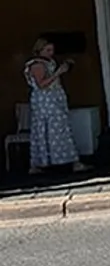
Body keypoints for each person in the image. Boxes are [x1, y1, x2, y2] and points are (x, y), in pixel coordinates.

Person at [23, 38, 89, 174]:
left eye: (52, 50)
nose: (50, 53)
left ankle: (62, 160)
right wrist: (58, 73)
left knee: (60, 129)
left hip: (54, 99)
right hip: (46, 102)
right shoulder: (37, 65)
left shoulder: (49, 62)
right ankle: (42, 163)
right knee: (52, 129)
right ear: (39, 50)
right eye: (47, 50)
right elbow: (41, 84)